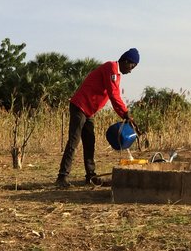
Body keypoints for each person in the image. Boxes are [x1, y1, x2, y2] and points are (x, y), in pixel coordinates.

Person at [56, 48, 139, 188]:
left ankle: (90, 177)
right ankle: (62, 177)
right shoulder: (111, 67)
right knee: (73, 142)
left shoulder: (117, 75)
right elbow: (114, 95)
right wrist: (125, 114)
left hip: (89, 111)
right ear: (126, 61)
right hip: (80, 106)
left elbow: (115, 95)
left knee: (90, 143)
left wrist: (125, 114)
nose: (131, 70)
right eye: (132, 66)